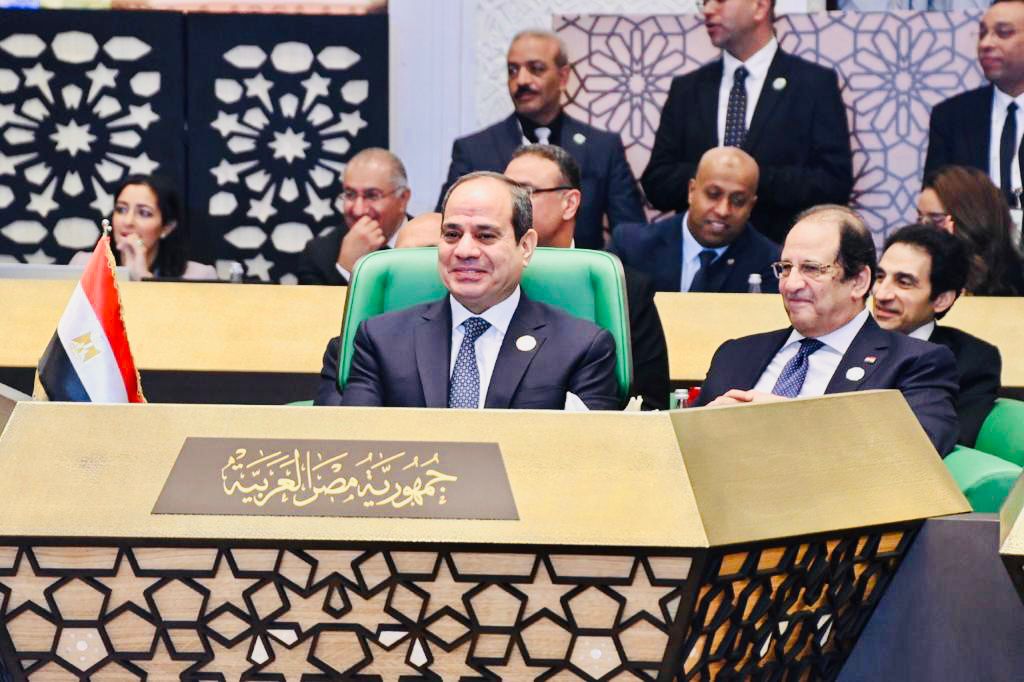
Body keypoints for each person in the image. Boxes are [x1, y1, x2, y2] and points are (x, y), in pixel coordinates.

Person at [340, 171, 620, 410]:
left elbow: (588, 453)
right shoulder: (381, 340)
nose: (464, 251)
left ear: (525, 246)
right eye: (452, 235)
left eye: (485, 236)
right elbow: (359, 445)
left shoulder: (582, 347)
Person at [695, 205, 959, 456]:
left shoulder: (913, 363)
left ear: (858, 281)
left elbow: (917, 449)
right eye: (785, 268)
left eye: (811, 269)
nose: (791, 285)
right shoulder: (736, 354)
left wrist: (784, 418)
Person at [640, 0, 853, 243]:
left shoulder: (813, 85)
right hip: (698, 256)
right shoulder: (687, 89)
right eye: (704, 2)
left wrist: (750, 179)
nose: (708, 10)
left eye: (720, 1)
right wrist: (712, 176)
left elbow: (834, 184)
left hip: (778, 254)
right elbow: (657, 182)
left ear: (760, 7)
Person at [436, 29, 644, 249]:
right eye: (513, 70)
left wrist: (597, 267)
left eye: (536, 69)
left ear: (563, 77)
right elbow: (445, 229)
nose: (521, 80)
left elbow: (631, 236)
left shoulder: (601, 147)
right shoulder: (474, 150)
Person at [504, 144, 671, 410]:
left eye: (524, 192)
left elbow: (650, 404)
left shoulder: (623, 287)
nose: (509, 206)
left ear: (569, 204)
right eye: (505, 194)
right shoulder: (488, 281)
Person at [873, 225, 1001, 447]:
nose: (881, 294)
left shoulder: (972, 360)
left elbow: (954, 441)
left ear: (942, 299)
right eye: (880, 277)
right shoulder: (845, 338)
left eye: (904, 282)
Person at [611, 147, 779, 293]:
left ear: (751, 206)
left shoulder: (770, 263)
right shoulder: (631, 247)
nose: (723, 211)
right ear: (692, 191)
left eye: (738, 201)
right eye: (713, 194)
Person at [924, 0, 1024, 207]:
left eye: (1003, 33)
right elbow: (934, 201)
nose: (986, 44)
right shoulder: (951, 116)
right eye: (982, 34)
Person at [297, 148, 411, 285]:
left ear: (403, 198)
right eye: (350, 194)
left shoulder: (431, 243)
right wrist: (346, 271)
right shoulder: (318, 256)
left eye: (372, 195)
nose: (358, 210)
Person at [73, 175, 215, 281]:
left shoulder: (197, 276)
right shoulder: (83, 265)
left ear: (167, 228)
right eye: (121, 209)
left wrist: (143, 278)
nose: (128, 221)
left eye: (144, 213)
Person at [917, 165, 1024, 295]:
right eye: (919, 218)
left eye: (936, 219)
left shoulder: (1012, 282)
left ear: (969, 220)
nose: (922, 229)